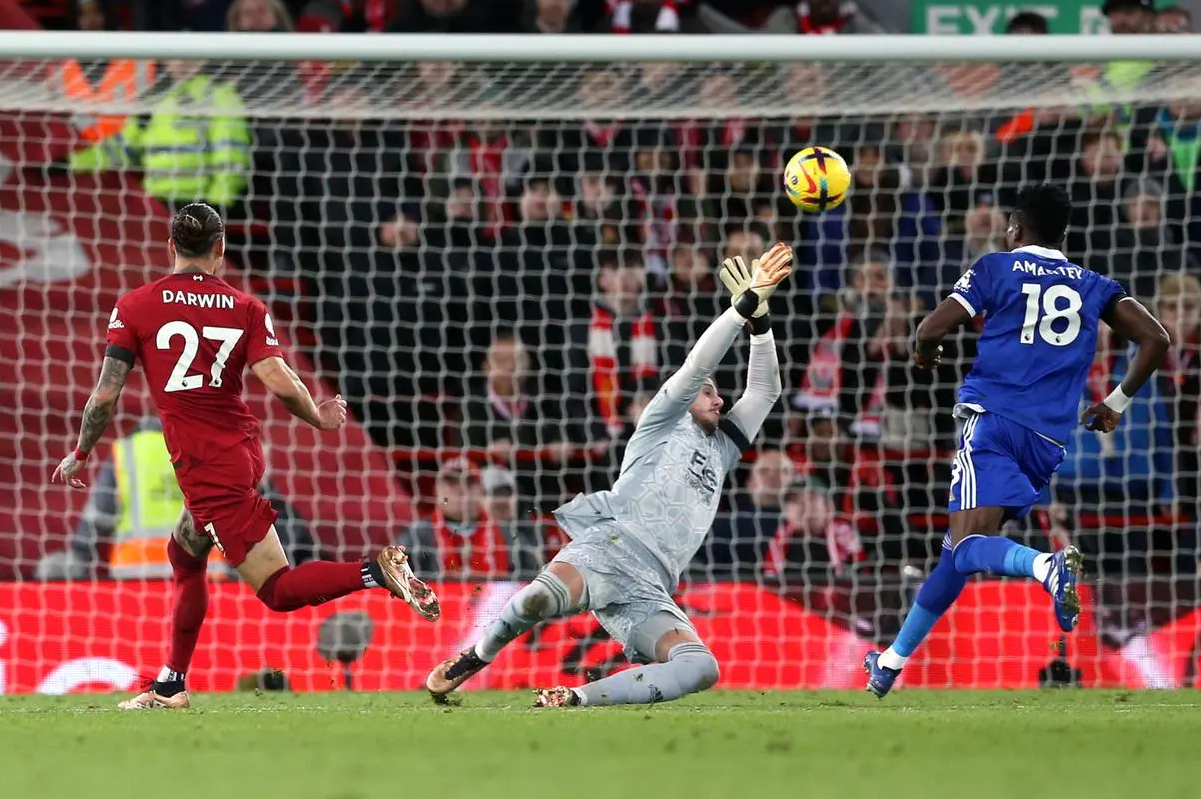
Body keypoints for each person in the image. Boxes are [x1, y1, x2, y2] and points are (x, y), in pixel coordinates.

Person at [51, 203, 440, 710]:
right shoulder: (246, 307)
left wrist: (81, 452)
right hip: (241, 450)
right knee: (184, 551)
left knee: (277, 591)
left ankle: (376, 572)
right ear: (220, 249)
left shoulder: (134, 306)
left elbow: (105, 396)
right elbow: (279, 379)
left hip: (207, 465)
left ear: (170, 247)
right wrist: (318, 417)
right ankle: (171, 685)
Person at [424, 243, 793, 707]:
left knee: (701, 667)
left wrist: (761, 321)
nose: (719, 400)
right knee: (536, 603)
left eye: (719, 395)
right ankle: (477, 655)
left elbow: (765, 389)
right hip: (612, 544)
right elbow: (699, 365)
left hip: (653, 583)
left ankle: (573, 698)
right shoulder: (662, 419)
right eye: (710, 393)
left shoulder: (722, 449)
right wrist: (739, 310)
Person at [863, 184, 1170, 698]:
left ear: (1014, 228)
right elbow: (1156, 337)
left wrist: (924, 355)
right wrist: (1114, 404)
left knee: (965, 549)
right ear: (1064, 234)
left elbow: (929, 329)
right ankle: (891, 664)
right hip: (1048, 441)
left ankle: (1045, 566)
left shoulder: (995, 268)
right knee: (957, 551)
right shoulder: (1095, 284)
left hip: (993, 420)